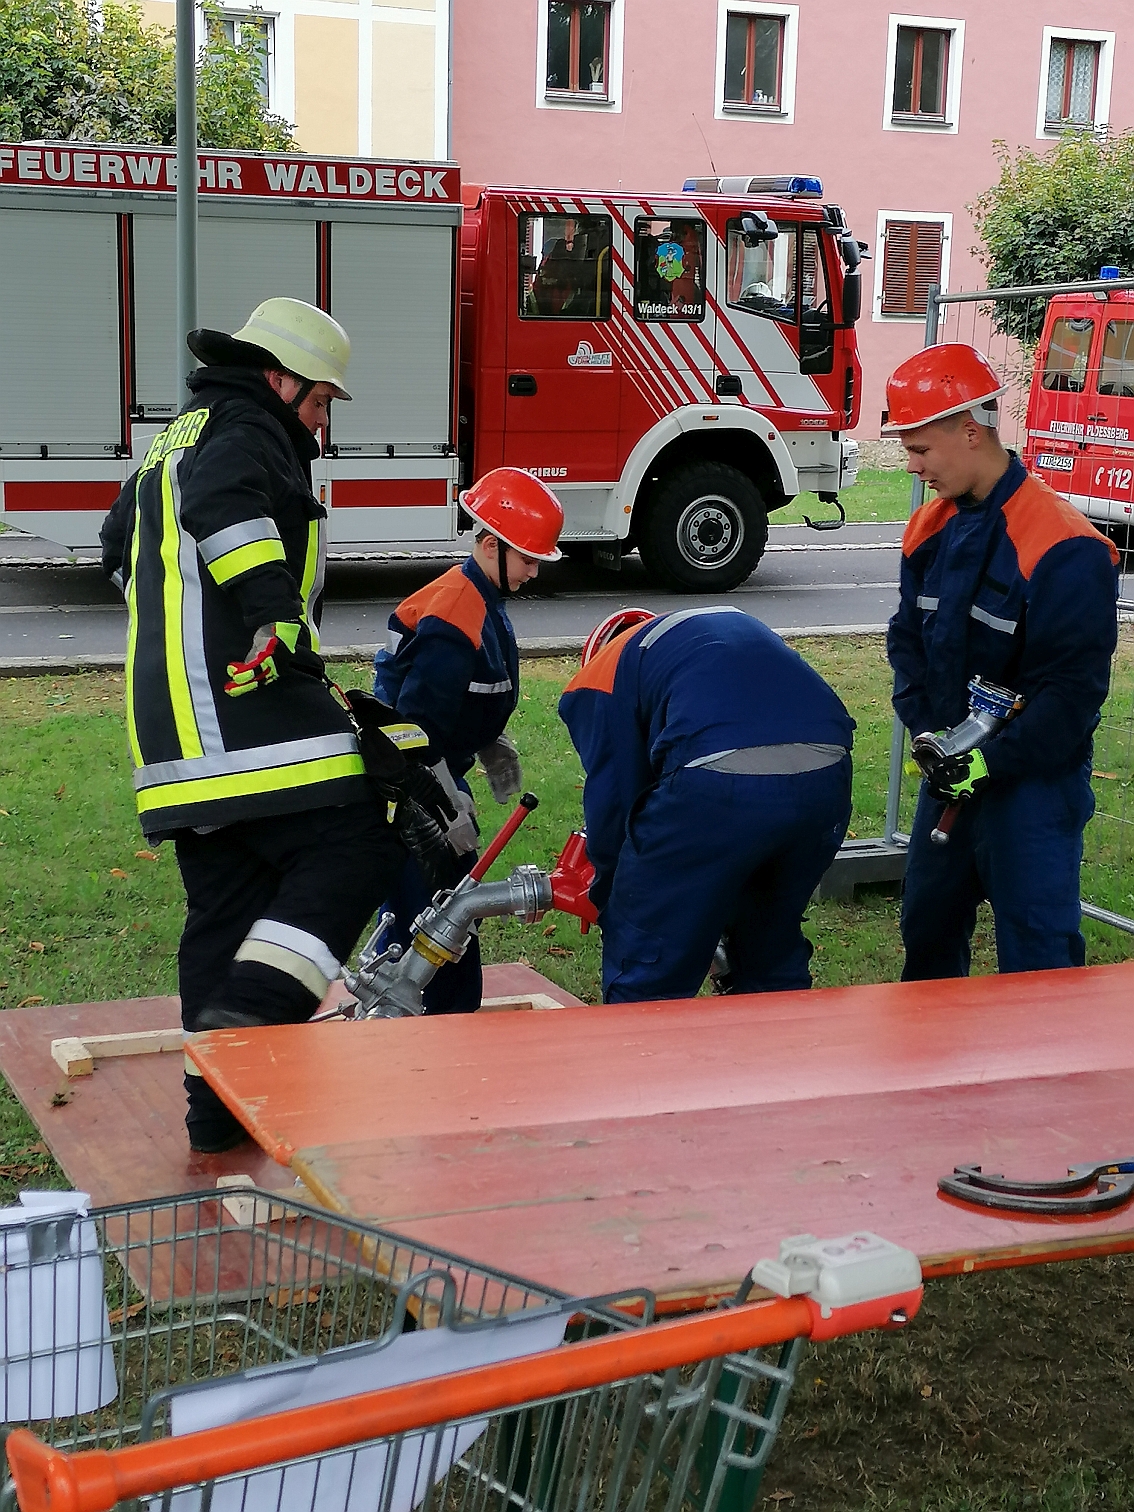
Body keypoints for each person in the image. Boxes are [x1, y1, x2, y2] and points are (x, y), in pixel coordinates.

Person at [101, 297, 407, 1155]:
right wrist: (269, 613)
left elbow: (117, 550)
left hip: (171, 740)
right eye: (320, 402)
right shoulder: (246, 429)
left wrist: (190, 632)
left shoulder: (170, 441)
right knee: (360, 844)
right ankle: (254, 1016)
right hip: (246, 710)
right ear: (279, 380)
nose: (321, 425)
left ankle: (215, 1115)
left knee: (226, 908)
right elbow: (225, 504)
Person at [885, 342, 1120, 980]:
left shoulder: (1064, 547)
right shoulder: (929, 529)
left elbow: (1070, 696)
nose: (912, 467)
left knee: (1037, 954)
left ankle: (1045, 1051)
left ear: (970, 431)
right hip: (951, 774)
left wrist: (989, 761)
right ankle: (935, 1046)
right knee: (927, 930)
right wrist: (933, 736)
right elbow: (907, 641)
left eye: (920, 449)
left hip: (1032, 785)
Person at [558, 607, 854, 1002]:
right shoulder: (710, 632)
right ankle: (778, 1031)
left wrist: (613, 893)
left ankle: (643, 1034)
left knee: (649, 956)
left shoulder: (601, 675)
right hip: (827, 774)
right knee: (769, 940)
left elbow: (615, 799)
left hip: (718, 781)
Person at [372, 467, 564, 1014]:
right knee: (437, 921)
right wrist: (442, 804)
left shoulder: (480, 596)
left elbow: (463, 693)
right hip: (411, 789)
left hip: (423, 779)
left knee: (439, 917)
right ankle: (426, 1023)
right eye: (528, 560)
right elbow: (414, 730)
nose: (533, 572)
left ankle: (418, 1016)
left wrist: (487, 739)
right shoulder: (458, 613)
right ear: (490, 545)